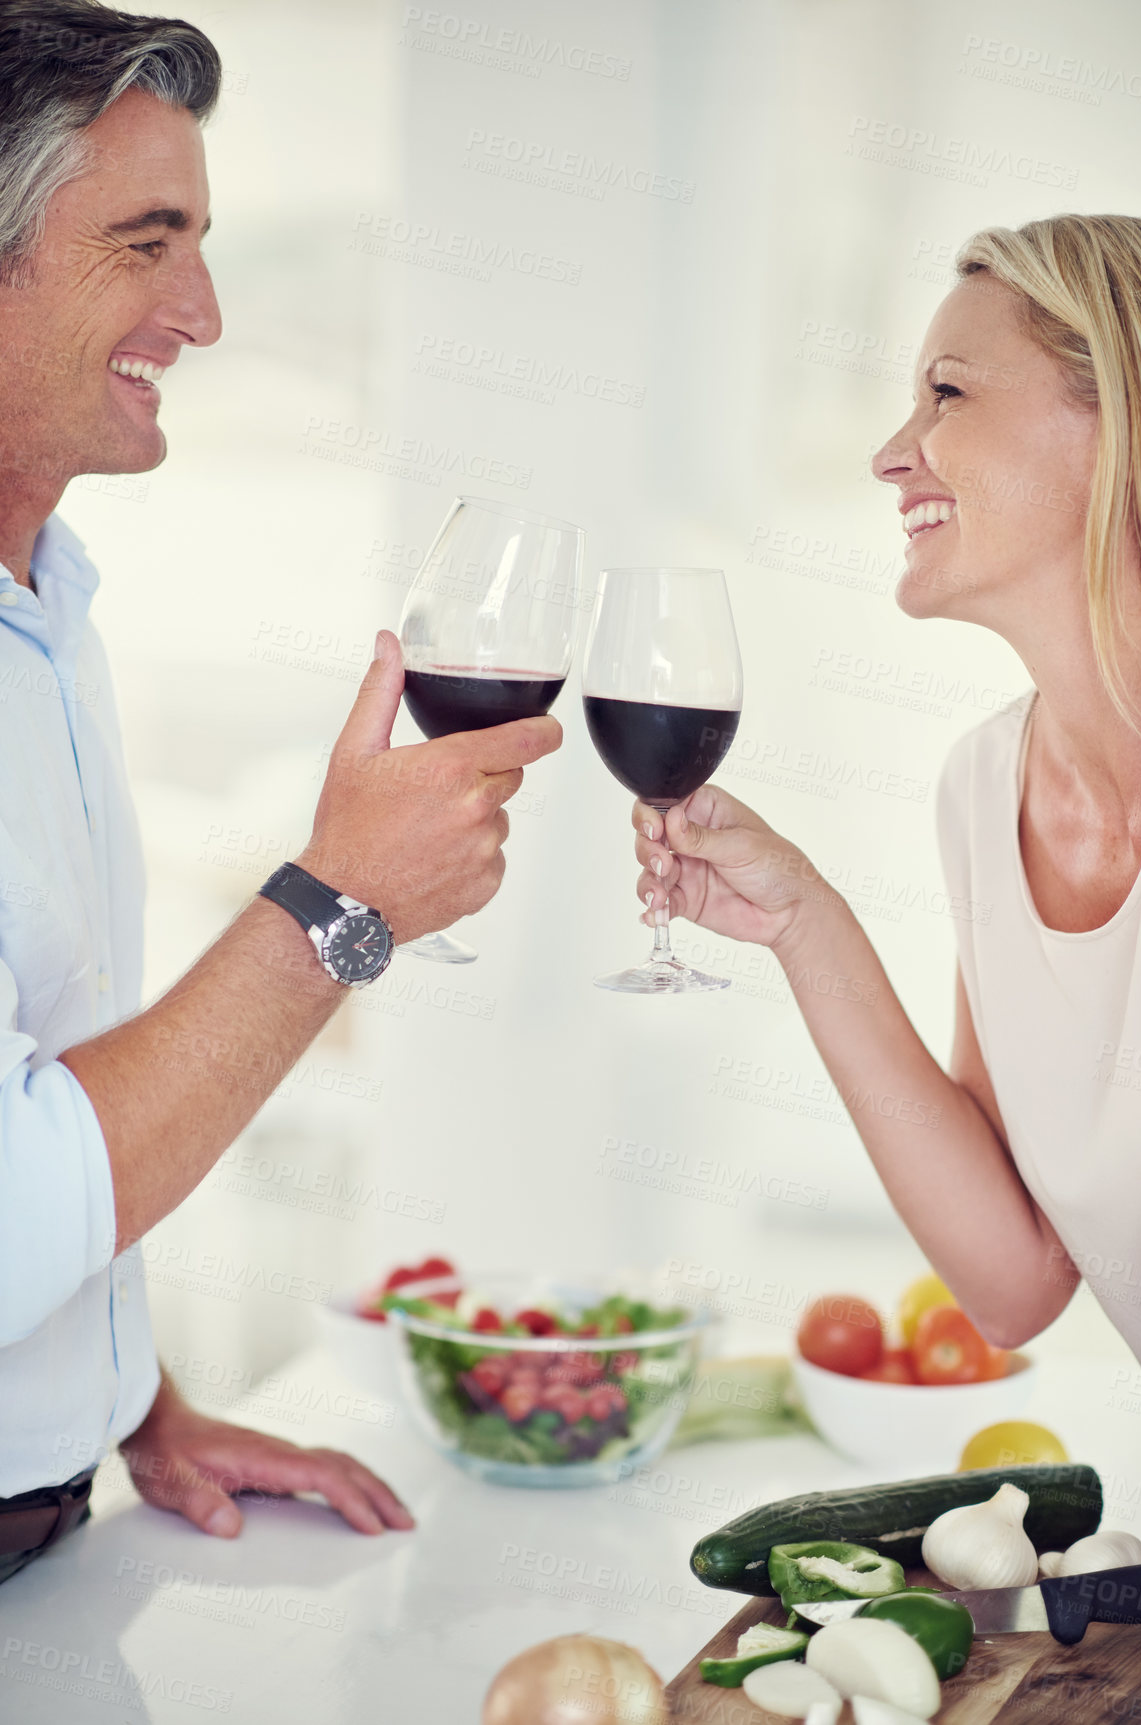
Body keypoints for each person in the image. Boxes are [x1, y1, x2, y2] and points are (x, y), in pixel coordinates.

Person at [0, 1, 560, 1582]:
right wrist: (341, 907)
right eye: (145, 240)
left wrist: (132, 1399)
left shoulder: (51, 610)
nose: (207, 310)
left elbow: (46, 1076)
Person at [638, 213, 1141, 1385]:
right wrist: (801, 921)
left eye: (948, 395)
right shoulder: (986, 788)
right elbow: (1014, 1278)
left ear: (1123, 415)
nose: (891, 453)